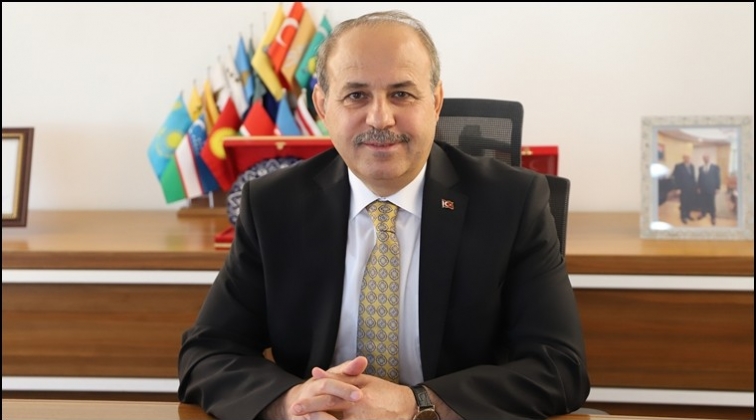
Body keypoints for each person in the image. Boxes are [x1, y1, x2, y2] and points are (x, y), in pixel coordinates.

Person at [178, 10, 590, 419]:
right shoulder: (273, 205)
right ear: (322, 105)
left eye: (402, 94)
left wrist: (417, 403)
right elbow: (208, 353)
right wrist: (292, 404)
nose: (380, 118)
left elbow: (560, 367)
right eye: (356, 95)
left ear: (436, 102)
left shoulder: (511, 203)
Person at [671, 154, 697, 223]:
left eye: (688, 158)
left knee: (689, 202)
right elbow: (675, 178)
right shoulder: (678, 166)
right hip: (682, 189)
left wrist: (695, 187)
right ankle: (683, 217)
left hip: (691, 188)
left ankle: (688, 215)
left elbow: (693, 177)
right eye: (686, 158)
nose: (687, 159)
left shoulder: (692, 166)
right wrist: (677, 188)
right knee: (683, 203)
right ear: (683, 158)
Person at [697, 154, 721, 225]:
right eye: (704, 158)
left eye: (707, 157)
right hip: (703, 188)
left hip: (711, 188)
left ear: (709, 158)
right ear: (703, 159)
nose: (705, 159)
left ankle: (713, 217)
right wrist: (698, 187)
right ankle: (703, 213)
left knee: (711, 203)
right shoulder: (700, 168)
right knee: (703, 202)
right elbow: (699, 178)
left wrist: (717, 188)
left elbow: (718, 178)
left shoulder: (715, 167)